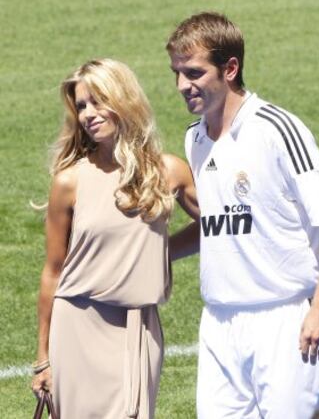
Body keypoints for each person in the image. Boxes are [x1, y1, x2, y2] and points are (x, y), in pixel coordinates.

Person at [166, 12, 319, 419]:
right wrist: (153, 253)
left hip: (287, 324)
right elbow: (218, 225)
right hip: (219, 324)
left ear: (230, 68)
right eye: (177, 73)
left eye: (194, 72)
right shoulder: (195, 138)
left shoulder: (278, 129)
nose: (183, 85)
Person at [31, 58, 198, 419]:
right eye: (80, 106)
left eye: (97, 101)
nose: (88, 114)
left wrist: (161, 253)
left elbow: (216, 224)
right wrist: (42, 357)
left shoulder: (167, 171)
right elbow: (52, 272)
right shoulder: (69, 180)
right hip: (77, 329)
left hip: (139, 330)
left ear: (123, 99)